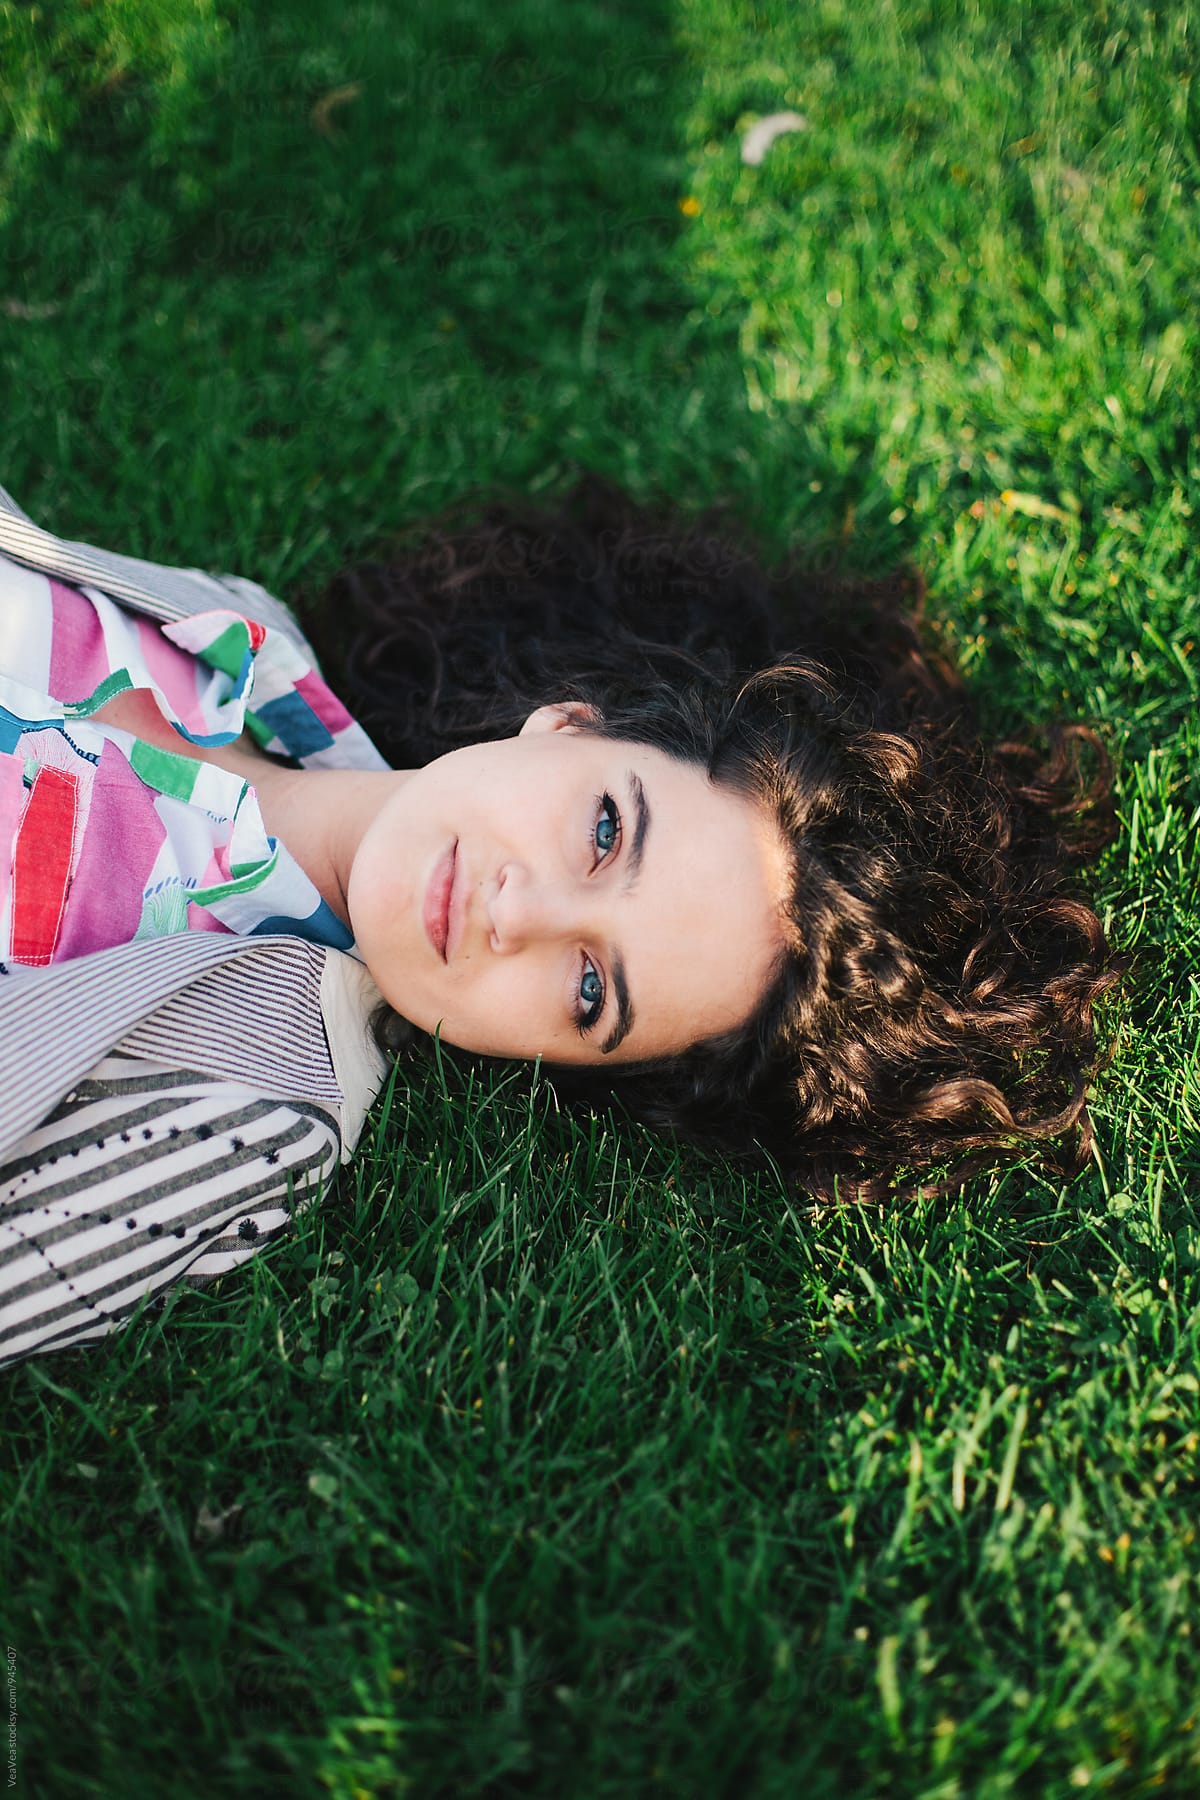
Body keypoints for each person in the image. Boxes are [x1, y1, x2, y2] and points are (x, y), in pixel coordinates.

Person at [0, 477, 1120, 1369]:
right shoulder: (244, 640)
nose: (519, 914)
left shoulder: (253, 1109)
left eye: (592, 991)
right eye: (602, 832)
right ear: (568, 726)